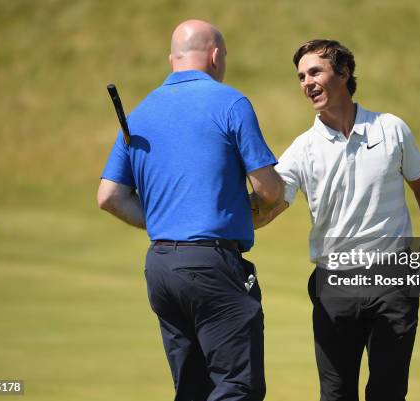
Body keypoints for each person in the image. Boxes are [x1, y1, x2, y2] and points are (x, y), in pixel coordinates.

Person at [254, 39, 420, 401]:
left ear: (344, 73)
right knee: (336, 394)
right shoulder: (302, 150)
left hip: (393, 278)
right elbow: (268, 207)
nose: (307, 83)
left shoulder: (391, 129)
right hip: (335, 286)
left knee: (389, 392)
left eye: (315, 71)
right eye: (300, 77)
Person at [97, 19, 283, 401]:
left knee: (192, 388)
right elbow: (269, 189)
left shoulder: (141, 112)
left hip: (161, 266)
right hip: (212, 266)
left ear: (172, 59)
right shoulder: (229, 102)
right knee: (237, 386)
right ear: (215, 56)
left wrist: (169, 220)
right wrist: (261, 207)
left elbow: (109, 196)